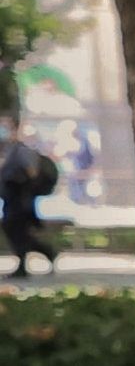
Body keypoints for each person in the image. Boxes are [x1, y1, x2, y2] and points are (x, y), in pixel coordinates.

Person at [0, 109, 54, 277]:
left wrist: (25, 191)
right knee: (13, 230)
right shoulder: (7, 151)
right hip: (10, 198)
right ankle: (46, 253)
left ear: (15, 129)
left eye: (5, 126)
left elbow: (33, 174)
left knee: (16, 230)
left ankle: (25, 265)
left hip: (20, 199)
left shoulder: (22, 151)